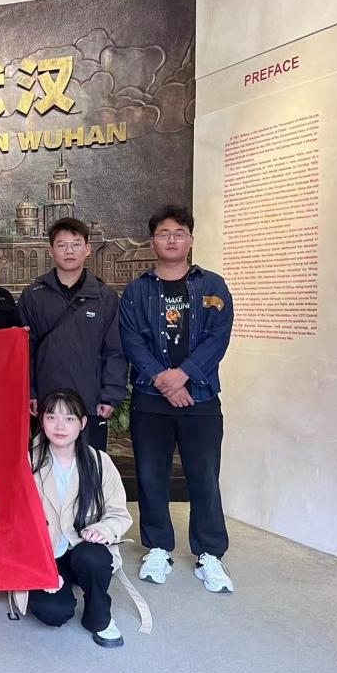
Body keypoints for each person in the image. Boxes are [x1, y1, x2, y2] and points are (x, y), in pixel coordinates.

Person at [119, 204, 235, 593]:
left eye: (179, 233)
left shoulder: (213, 286)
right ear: (152, 240)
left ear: (190, 239)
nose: (171, 239)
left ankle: (210, 553)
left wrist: (182, 376)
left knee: (204, 477)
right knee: (151, 476)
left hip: (200, 398)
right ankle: (158, 547)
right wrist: (163, 379)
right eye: (164, 233)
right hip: (150, 399)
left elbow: (217, 338)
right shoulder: (137, 291)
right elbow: (131, 341)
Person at [21, 389, 133, 648]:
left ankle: (100, 618)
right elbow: (16, 523)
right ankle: (60, 585)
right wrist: (41, 569)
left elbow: (119, 513)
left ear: (82, 423)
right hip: (44, 553)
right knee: (53, 613)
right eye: (52, 417)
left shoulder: (99, 462)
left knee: (92, 557)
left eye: (69, 418)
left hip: (82, 548)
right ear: (41, 420)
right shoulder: (27, 462)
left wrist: (104, 528)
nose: (60, 426)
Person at [17, 218, 126, 451]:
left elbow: (114, 350)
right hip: (46, 403)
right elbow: (25, 349)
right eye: (61, 245)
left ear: (87, 249)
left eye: (76, 244)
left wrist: (110, 395)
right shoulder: (33, 295)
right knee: (44, 467)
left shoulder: (104, 297)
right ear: (51, 250)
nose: (69, 251)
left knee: (89, 465)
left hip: (90, 403)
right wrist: (30, 392)